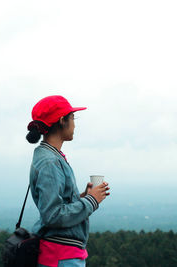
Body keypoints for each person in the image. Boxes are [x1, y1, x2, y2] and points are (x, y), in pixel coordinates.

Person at [26, 95, 110, 267]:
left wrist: (82, 197)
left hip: (63, 255)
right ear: (62, 120)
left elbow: (58, 203)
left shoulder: (51, 156)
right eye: (73, 117)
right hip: (60, 257)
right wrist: (91, 201)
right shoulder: (50, 161)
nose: (74, 124)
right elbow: (52, 215)